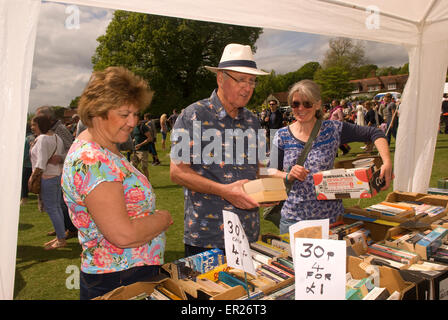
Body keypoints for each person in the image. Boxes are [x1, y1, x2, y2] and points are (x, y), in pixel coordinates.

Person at [61, 66, 173, 300]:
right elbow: (123, 235)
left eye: (135, 113)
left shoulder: (105, 147)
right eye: (124, 114)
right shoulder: (93, 160)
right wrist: (161, 220)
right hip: (120, 278)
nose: (132, 122)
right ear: (97, 112)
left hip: (125, 273)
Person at [170, 43, 269, 257]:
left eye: (252, 81)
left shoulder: (253, 121)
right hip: (207, 238)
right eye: (240, 79)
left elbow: (260, 171)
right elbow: (177, 172)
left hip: (248, 234)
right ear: (220, 78)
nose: (247, 87)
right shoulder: (192, 115)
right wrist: (225, 191)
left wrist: (265, 191)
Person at [267, 80, 393, 234]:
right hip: (294, 219)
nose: (300, 109)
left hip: (330, 219)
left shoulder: (333, 129)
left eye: (307, 104)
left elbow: (375, 133)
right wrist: (288, 175)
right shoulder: (282, 135)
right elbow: (270, 171)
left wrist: (386, 162)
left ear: (318, 104)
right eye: (295, 104)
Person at [35, 106, 77, 239]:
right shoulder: (48, 132)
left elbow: (72, 148)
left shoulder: (60, 129)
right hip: (53, 171)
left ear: (47, 118)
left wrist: (61, 158)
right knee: (56, 204)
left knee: (60, 203)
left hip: (59, 171)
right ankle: (61, 227)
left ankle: (70, 228)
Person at [29, 115, 66, 249]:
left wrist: (32, 177)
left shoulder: (42, 139)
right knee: (56, 208)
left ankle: (61, 239)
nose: (32, 127)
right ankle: (60, 236)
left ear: (40, 124)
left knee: (52, 209)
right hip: (56, 175)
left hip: (46, 177)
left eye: (34, 124)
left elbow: (41, 162)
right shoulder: (57, 137)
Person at [21, 123, 34, 206]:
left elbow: (25, 154)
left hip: (26, 165)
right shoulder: (34, 137)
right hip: (34, 165)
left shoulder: (26, 139)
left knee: (24, 183)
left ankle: (24, 199)